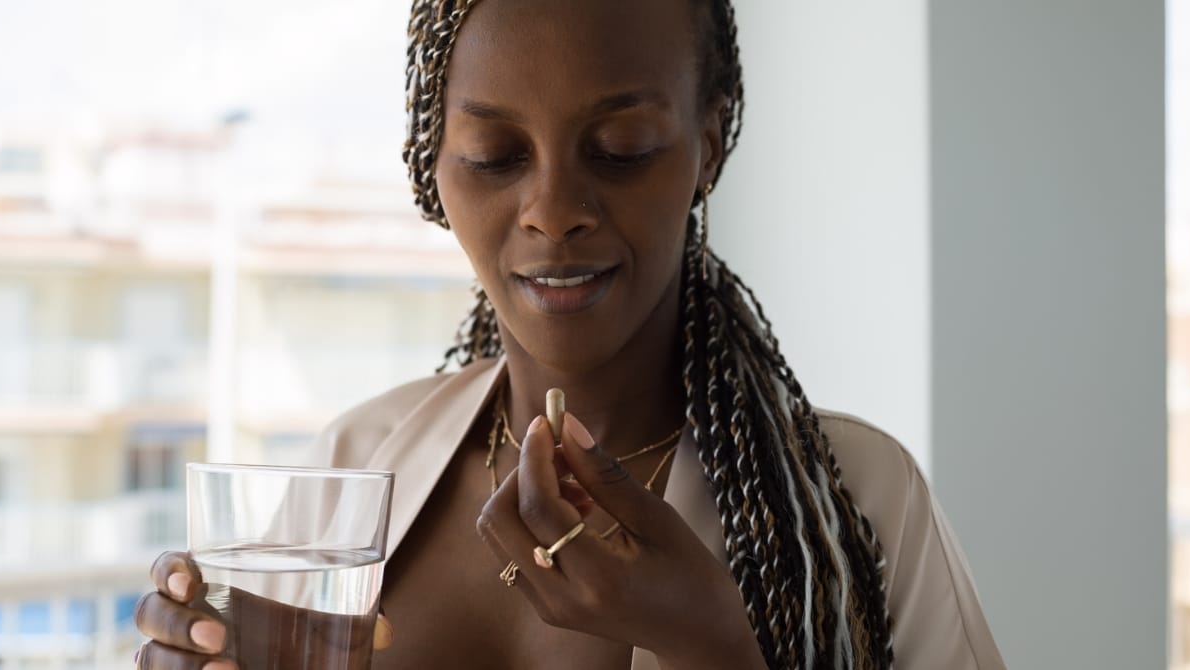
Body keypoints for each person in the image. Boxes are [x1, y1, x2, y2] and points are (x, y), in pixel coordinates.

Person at [133, 1, 1006, 668]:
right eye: (494, 155)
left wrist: (714, 647)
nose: (553, 213)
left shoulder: (861, 503)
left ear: (709, 143)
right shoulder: (355, 462)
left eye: (621, 148)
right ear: (432, 163)